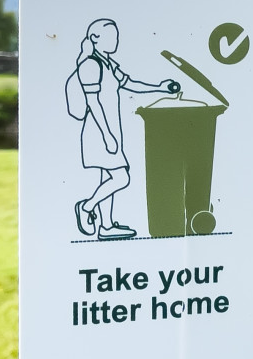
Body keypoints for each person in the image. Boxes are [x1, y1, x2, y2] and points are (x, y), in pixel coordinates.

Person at [72, 19, 177, 240]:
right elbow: (93, 103)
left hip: (110, 129)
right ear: (95, 39)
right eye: (111, 37)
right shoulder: (90, 65)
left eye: (116, 36)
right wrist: (107, 135)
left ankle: (106, 226)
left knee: (107, 178)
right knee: (121, 178)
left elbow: (129, 84)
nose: (116, 40)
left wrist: (160, 88)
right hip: (99, 130)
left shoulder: (108, 63)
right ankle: (86, 207)